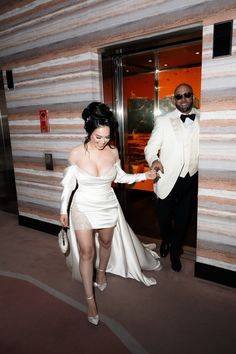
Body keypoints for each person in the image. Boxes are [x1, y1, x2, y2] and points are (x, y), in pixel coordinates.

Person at [60, 101, 161, 326]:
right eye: (99, 137)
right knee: (87, 253)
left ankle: (102, 272)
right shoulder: (76, 153)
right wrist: (63, 210)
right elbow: (68, 185)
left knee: (106, 244)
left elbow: (121, 178)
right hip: (83, 207)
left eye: (107, 137)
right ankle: (90, 301)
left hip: (107, 205)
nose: (104, 142)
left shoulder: (113, 151)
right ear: (89, 131)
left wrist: (144, 176)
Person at [144, 83, 199, 272]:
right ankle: (166, 238)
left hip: (191, 178)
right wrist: (154, 160)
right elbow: (150, 148)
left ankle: (176, 251)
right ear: (174, 99)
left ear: (193, 96)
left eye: (187, 95)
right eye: (179, 96)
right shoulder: (164, 120)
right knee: (164, 217)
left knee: (184, 218)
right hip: (167, 177)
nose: (183, 99)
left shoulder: (203, 117)